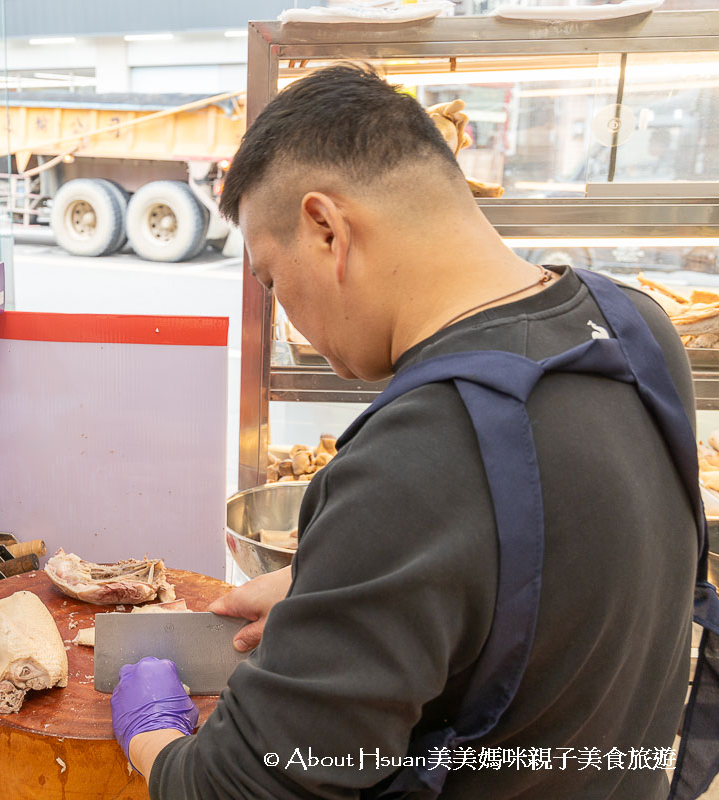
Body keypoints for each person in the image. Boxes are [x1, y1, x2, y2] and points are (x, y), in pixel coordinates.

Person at [110, 64, 719, 799]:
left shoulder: (413, 459)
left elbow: (239, 790)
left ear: (327, 228)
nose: (283, 311)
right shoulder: (635, 326)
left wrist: (152, 733)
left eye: (271, 280)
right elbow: (565, 553)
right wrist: (336, 586)